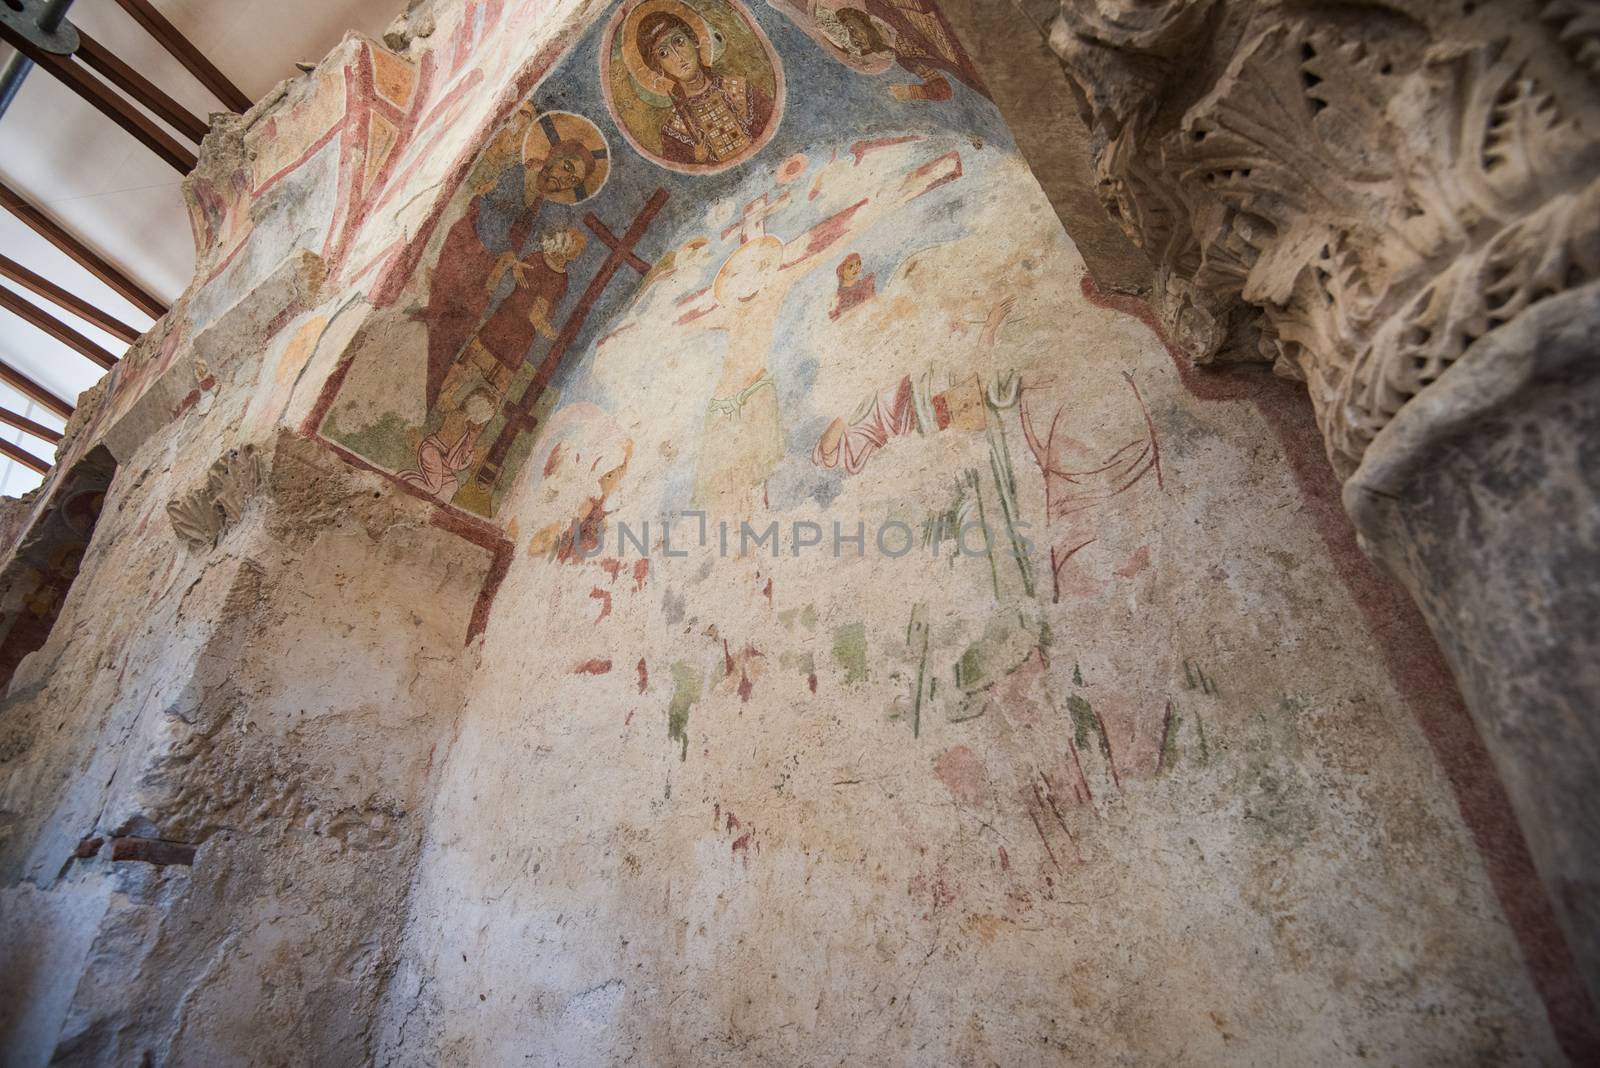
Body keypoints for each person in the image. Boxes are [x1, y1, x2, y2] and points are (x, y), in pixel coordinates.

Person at [444, 228, 588, 399]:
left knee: (473, 368)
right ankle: (449, 402)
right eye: (578, 248)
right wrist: (556, 337)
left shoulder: (537, 259)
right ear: (567, 246)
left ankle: (447, 400)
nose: (579, 253)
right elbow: (537, 315)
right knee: (487, 379)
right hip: (515, 330)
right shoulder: (558, 279)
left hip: (509, 322)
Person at [637, 10, 774, 166]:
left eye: (679, 41)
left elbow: (774, 132)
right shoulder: (674, 129)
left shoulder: (739, 88)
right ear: (658, 68)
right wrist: (698, 160)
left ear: (694, 40)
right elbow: (684, 181)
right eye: (664, 53)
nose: (678, 56)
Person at [823, 0, 989, 102]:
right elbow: (943, 89)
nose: (854, 37)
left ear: (860, 15)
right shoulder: (904, 56)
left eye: (851, 27)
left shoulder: (875, 6)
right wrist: (916, 92)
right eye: (853, 41)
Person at [829, 252, 876, 320]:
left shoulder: (866, 283)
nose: (856, 268)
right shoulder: (838, 298)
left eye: (858, 263)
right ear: (841, 271)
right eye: (850, 266)